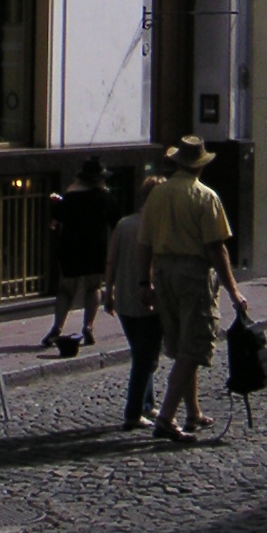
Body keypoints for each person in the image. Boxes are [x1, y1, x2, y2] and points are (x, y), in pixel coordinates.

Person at [137, 135, 249, 442]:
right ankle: (166, 417)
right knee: (195, 344)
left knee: (181, 345)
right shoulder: (205, 197)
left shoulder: (157, 195)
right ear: (200, 166)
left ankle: (193, 412)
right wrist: (233, 291)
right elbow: (217, 249)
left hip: (163, 272)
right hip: (193, 274)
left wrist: (144, 282)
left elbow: (144, 243)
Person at [103, 174, 164, 429]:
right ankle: (133, 411)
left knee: (141, 353)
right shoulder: (157, 227)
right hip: (149, 300)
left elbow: (111, 260)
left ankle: (147, 403)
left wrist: (108, 291)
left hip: (125, 300)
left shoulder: (124, 224)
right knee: (145, 358)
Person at [42, 156, 117, 350]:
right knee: (93, 287)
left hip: (71, 246)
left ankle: (57, 327)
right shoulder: (106, 197)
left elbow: (56, 220)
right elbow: (116, 222)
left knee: (66, 290)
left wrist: (57, 203)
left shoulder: (70, 197)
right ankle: (89, 326)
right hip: (95, 246)